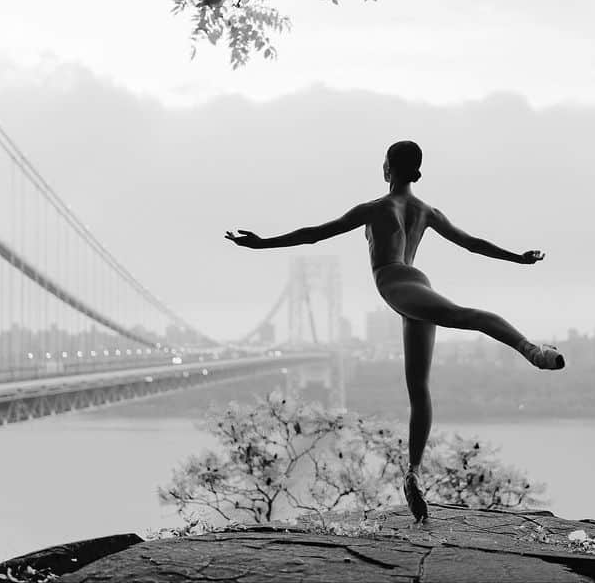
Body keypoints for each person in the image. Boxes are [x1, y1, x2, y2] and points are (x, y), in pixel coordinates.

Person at [225, 140, 564, 523]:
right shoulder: (426, 210)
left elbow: (315, 234)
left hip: (398, 285)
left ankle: (531, 350)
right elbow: (472, 244)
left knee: (463, 316)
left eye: (383, 163)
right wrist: (516, 258)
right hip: (415, 284)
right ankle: (414, 473)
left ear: (388, 169)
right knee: (418, 388)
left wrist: (261, 243)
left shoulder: (375, 208)